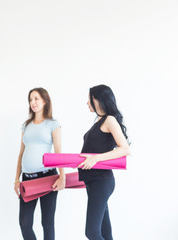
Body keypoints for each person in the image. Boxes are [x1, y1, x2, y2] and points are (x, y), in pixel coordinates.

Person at [78, 84, 130, 240]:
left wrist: (96, 158)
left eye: (89, 99)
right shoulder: (99, 122)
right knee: (105, 233)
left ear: (97, 99)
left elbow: (125, 149)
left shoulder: (110, 120)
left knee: (92, 232)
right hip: (93, 182)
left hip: (101, 181)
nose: (87, 102)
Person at [14, 87, 65, 240]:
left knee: (47, 223)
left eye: (36, 98)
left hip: (49, 178)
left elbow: (58, 152)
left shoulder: (53, 124)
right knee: (24, 223)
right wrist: (17, 179)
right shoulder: (26, 125)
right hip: (28, 179)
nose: (33, 102)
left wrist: (62, 176)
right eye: (30, 99)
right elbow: (21, 153)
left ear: (44, 100)